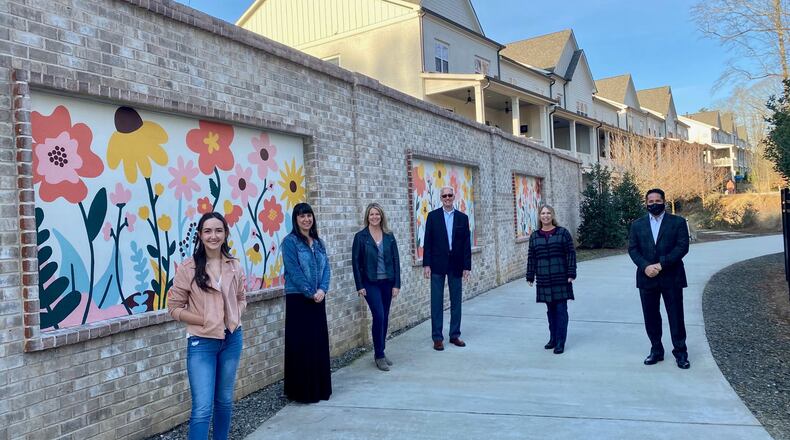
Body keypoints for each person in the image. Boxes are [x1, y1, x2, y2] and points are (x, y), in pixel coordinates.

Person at [167, 212, 247, 440]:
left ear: (225, 234)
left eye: (218, 230)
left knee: (224, 401)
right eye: (208, 231)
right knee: (202, 409)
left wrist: (234, 315)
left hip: (232, 339)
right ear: (200, 235)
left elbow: (242, 297)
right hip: (202, 343)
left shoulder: (235, 266)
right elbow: (174, 308)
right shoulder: (188, 268)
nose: (214, 235)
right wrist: (205, 320)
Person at [628, 188, 691, 369]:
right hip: (646, 277)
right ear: (646, 203)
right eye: (651, 201)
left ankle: (681, 352)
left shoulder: (677, 222)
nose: (654, 204)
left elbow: (682, 247)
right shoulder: (637, 225)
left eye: (657, 201)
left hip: (671, 276)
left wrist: (661, 264)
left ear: (664, 201)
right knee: (651, 316)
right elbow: (633, 249)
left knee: (676, 316)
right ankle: (656, 350)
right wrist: (645, 266)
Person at [281, 202, 332, 402]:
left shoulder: (318, 242)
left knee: (317, 343)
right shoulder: (290, 242)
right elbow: (293, 271)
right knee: (301, 345)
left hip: (318, 298)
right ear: (296, 219)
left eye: (309, 215)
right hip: (298, 299)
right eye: (301, 216)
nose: (306, 219)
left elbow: (326, 268)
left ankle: (320, 389)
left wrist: (322, 290)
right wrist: (311, 292)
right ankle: (301, 392)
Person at [352, 203, 401, 371]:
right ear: (367, 217)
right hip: (370, 283)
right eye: (371, 214)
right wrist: (359, 285)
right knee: (379, 315)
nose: (374, 217)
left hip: (387, 282)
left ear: (381, 216)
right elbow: (356, 262)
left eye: (377, 214)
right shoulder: (360, 237)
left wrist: (397, 284)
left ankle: (382, 350)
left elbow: (396, 260)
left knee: (385, 317)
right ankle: (378, 355)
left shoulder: (389, 235)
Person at [422, 186, 472, 351]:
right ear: (441, 198)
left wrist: (467, 266)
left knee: (456, 301)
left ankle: (454, 335)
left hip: (456, 264)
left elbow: (466, 244)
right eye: (444, 196)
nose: (448, 198)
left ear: (454, 196)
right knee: (436, 301)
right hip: (437, 264)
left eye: (450, 195)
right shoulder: (433, 217)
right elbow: (427, 242)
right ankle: (437, 337)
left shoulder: (462, 218)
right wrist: (426, 264)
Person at [526, 205, 576, 354]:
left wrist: (571, 273)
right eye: (543, 213)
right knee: (550, 310)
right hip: (544, 279)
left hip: (560, 277)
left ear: (552, 215)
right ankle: (553, 338)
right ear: (539, 216)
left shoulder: (563, 233)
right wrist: (530, 275)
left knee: (561, 310)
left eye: (548, 213)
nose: (545, 216)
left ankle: (561, 341)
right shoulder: (535, 236)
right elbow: (531, 257)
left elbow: (571, 254)